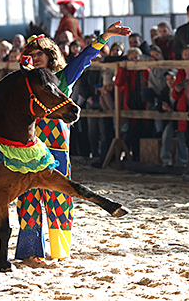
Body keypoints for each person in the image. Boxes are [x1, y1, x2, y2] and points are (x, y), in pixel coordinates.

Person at [16, 21, 132, 263]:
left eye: (40, 54)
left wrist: (106, 36)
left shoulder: (63, 78)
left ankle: (59, 252)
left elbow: (85, 57)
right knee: (27, 200)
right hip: (28, 150)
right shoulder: (25, 84)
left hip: (56, 150)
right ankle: (29, 252)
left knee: (59, 199)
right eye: (32, 54)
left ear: (50, 56)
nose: (36, 58)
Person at [114, 48, 151, 161]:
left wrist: (144, 66)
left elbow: (148, 80)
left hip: (143, 104)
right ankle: (131, 158)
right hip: (130, 103)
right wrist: (122, 69)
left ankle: (143, 157)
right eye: (132, 58)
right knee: (131, 132)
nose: (134, 60)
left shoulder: (144, 69)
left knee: (144, 131)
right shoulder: (127, 70)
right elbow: (118, 83)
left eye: (136, 57)